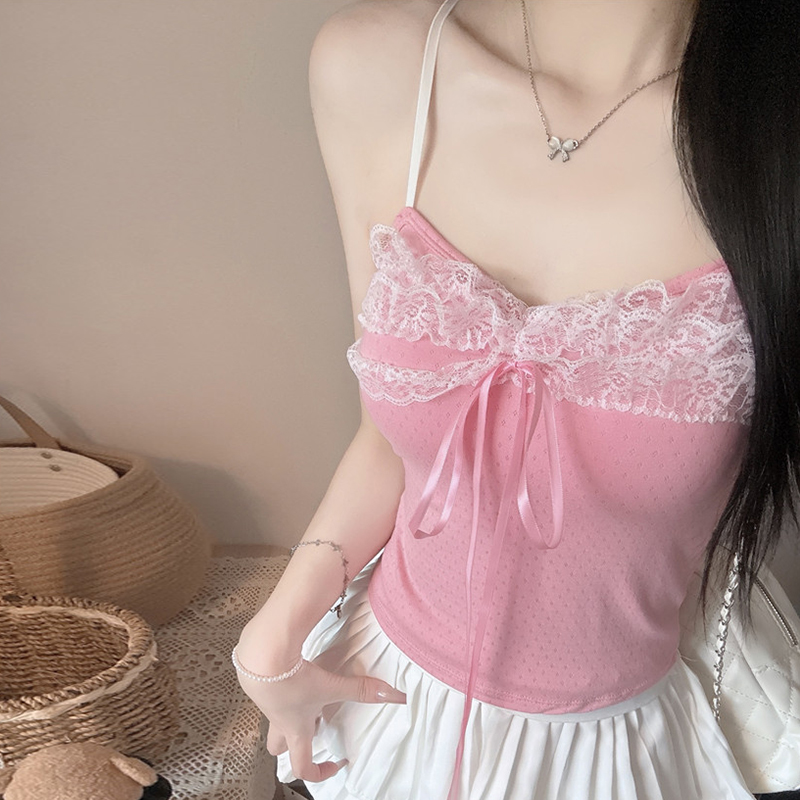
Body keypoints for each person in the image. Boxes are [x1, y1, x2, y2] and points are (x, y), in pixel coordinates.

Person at [234, 1, 800, 798]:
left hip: (620, 747)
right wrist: (280, 624)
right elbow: (385, 436)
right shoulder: (377, 69)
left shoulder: (776, 127)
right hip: (385, 702)